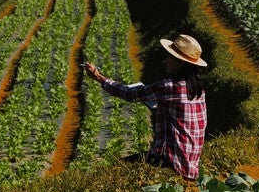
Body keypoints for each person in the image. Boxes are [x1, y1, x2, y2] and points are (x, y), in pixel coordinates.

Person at [83, 34, 207, 181]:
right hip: (191, 161)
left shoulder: (170, 87)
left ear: (180, 63)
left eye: (169, 57)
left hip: (173, 161)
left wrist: (98, 77)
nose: (165, 60)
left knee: (115, 169)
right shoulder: (199, 90)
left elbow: (128, 94)